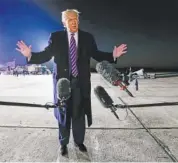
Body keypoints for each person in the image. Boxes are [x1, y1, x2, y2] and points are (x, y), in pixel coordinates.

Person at [16, 9, 127, 156]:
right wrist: (30, 55)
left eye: (76, 19)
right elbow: (46, 55)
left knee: (79, 113)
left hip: (80, 84)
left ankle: (79, 141)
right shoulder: (56, 37)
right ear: (64, 22)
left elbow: (96, 54)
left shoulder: (87, 37)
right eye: (70, 19)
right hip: (63, 84)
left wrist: (113, 55)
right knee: (63, 114)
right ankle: (63, 143)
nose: (74, 22)